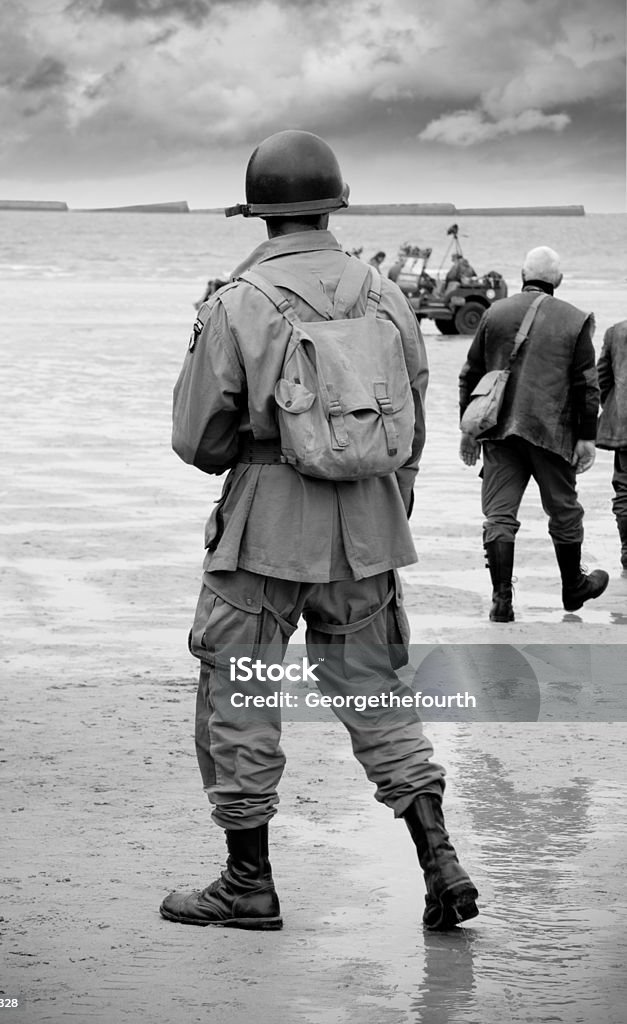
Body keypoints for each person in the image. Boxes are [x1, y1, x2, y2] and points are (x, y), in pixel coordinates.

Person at [165, 129, 479, 932]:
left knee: (240, 689)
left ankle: (248, 884)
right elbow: (409, 420)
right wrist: (382, 509)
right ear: (333, 206)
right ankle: (440, 862)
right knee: (376, 690)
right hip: (370, 525)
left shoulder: (237, 302)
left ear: (259, 215)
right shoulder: (389, 296)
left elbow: (197, 440)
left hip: (264, 526)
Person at [459, 245, 608, 622]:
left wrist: (468, 429)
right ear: (557, 280)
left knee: (499, 517)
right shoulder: (575, 320)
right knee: (564, 512)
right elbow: (585, 385)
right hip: (551, 432)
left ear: (521, 274)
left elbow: (470, 374)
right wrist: (587, 436)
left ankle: (501, 600)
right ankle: (573, 587)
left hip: (497, 432)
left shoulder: (495, 312)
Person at [596, 320, 627, 573]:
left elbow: (601, 380)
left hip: (625, 427)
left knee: (625, 490)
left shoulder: (617, 332)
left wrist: (615, 409)